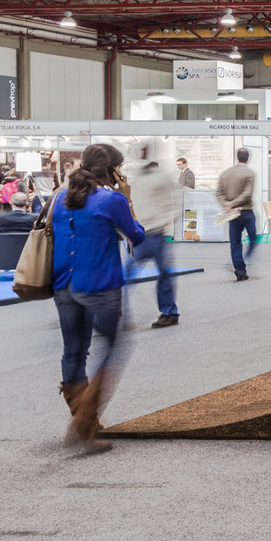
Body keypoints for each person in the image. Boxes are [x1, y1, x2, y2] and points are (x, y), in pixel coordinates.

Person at [50, 143, 145, 453]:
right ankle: (82, 424)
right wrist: (127, 197)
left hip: (63, 283)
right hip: (100, 285)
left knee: (74, 351)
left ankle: (81, 417)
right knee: (113, 349)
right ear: (113, 171)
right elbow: (136, 235)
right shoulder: (112, 199)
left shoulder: (61, 197)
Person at [127, 144, 181, 328]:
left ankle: (169, 313)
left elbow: (174, 207)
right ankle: (169, 312)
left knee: (160, 274)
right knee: (129, 273)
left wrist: (161, 223)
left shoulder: (158, 178)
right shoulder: (140, 179)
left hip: (154, 234)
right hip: (144, 234)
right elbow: (135, 206)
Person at [216, 148, 257, 280]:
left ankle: (240, 270)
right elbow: (247, 193)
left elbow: (219, 193)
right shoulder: (249, 173)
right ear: (248, 158)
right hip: (246, 211)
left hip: (232, 213)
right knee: (253, 238)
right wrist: (234, 203)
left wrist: (227, 205)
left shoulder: (225, 173)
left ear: (237, 157)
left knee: (235, 242)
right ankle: (247, 257)